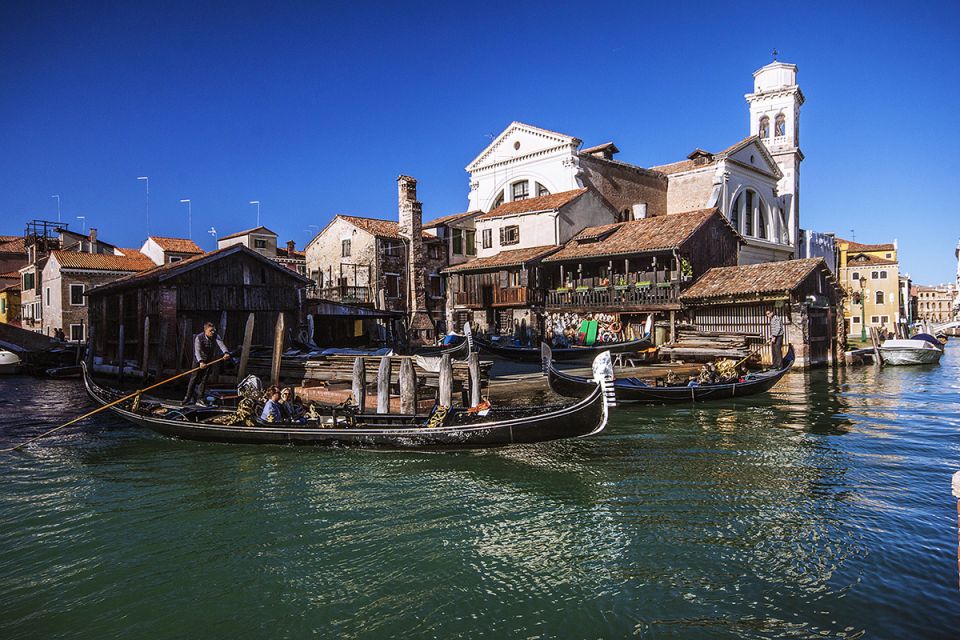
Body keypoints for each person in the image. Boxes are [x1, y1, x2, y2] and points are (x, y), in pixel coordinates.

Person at [183, 322, 232, 406]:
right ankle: (188, 397)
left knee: (204, 380)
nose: (212, 332)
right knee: (194, 379)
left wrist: (226, 353)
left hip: (209, 361)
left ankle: (200, 399)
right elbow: (197, 351)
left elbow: (222, 345)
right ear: (205, 330)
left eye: (214, 330)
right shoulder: (199, 338)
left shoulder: (216, 336)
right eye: (210, 330)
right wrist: (201, 362)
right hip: (198, 360)